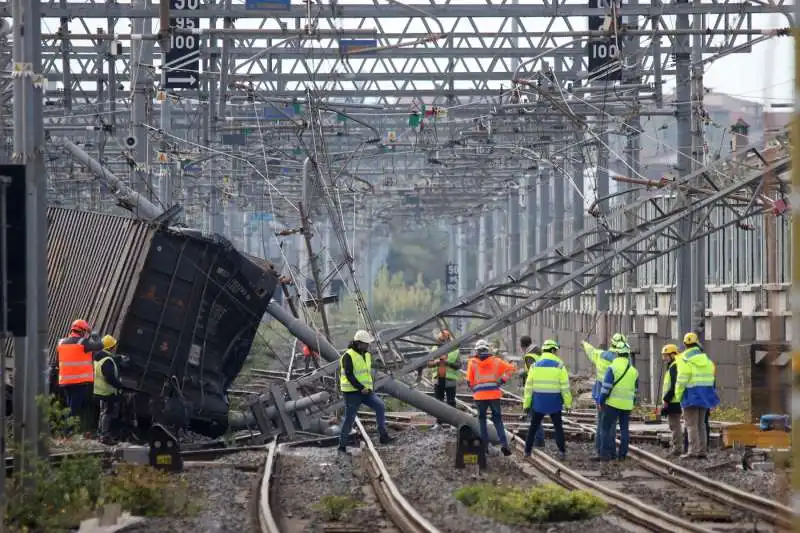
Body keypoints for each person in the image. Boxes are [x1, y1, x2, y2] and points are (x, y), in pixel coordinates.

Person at [338, 330, 391, 454]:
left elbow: (366, 371)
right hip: (352, 393)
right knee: (349, 419)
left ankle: (383, 436)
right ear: (358, 343)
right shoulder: (348, 356)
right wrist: (360, 387)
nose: (368, 345)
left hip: (366, 391)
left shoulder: (366, 354)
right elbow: (349, 375)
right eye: (366, 343)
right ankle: (342, 446)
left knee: (380, 406)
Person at [522, 339, 571, 459]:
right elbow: (565, 388)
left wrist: (526, 405)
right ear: (553, 350)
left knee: (533, 427)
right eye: (556, 351)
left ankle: (527, 451)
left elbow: (528, 388)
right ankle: (562, 452)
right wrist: (568, 404)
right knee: (558, 427)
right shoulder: (560, 367)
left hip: (538, 402)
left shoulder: (534, 366)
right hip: (554, 402)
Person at [465, 338, 515, 456]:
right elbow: (511, 369)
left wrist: (476, 390)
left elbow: (469, 381)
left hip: (480, 397)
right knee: (497, 420)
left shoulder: (472, 363)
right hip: (494, 395)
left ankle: (485, 447)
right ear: (487, 349)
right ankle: (504, 445)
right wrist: (502, 380)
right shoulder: (496, 361)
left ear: (477, 351)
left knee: (482, 421)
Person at [675, 332, 719, 458]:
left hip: (690, 395)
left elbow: (682, 379)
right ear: (697, 343)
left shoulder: (684, 359)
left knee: (691, 425)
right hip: (704, 396)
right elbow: (712, 379)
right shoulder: (707, 360)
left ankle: (692, 451)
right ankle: (702, 451)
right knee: (701, 424)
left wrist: (678, 396)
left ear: (684, 344)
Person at [54, 319, 102, 432]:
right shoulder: (82, 342)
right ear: (83, 331)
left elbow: (58, 362)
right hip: (79, 383)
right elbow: (100, 345)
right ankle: (66, 433)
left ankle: (65, 432)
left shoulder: (61, 343)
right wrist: (94, 335)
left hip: (65, 382)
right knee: (73, 409)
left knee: (70, 407)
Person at [581, 335, 625, 456]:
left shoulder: (600, 355)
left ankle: (600, 450)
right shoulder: (620, 361)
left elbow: (590, 350)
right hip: (612, 396)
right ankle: (609, 451)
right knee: (610, 425)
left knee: (600, 423)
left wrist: (584, 343)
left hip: (599, 393)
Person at [597, 342, 638, 461]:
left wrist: (601, 401)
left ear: (617, 354)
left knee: (605, 427)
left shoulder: (612, 368)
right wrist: (632, 403)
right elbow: (635, 390)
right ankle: (622, 455)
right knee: (624, 429)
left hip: (612, 404)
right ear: (627, 355)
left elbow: (606, 388)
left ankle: (605, 454)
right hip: (626, 405)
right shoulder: (633, 371)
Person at [94, 335, 126, 444]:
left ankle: (100, 434)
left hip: (99, 390)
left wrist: (118, 358)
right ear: (111, 347)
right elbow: (110, 377)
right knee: (109, 413)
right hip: (107, 392)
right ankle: (105, 436)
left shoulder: (99, 357)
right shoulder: (107, 361)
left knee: (103, 412)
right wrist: (120, 385)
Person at [427, 329, 461, 428]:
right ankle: (439, 422)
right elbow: (429, 363)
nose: (442, 342)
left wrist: (448, 363)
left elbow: (459, 365)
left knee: (451, 401)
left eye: (443, 340)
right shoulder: (434, 349)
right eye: (440, 340)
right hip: (439, 378)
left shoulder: (455, 350)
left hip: (450, 379)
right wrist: (436, 363)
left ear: (448, 339)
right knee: (438, 401)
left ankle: (452, 423)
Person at [519, 336, 544, 447]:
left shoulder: (529, 356)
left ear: (522, 346)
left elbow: (532, 372)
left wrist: (522, 373)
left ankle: (538, 441)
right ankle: (539, 439)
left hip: (533, 388)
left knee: (533, 415)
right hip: (542, 386)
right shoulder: (540, 352)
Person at [659, 343, 683, 456]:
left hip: (674, 401)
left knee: (674, 425)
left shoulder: (674, 366)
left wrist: (666, 399)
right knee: (674, 425)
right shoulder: (673, 366)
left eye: (666, 355)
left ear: (673, 355)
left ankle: (677, 448)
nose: (664, 358)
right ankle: (677, 447)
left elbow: (674, 386)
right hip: (674, 400)